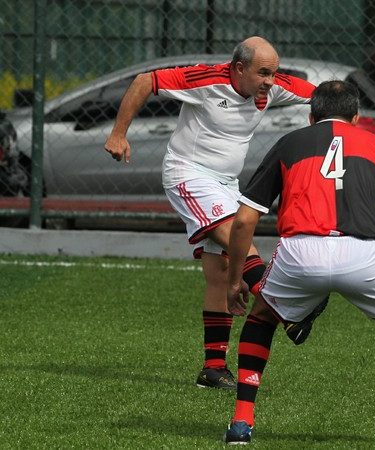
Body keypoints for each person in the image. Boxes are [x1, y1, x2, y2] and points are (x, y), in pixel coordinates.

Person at [221, 80, 375, 448]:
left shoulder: (289, 143)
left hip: (300, 252)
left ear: (311, 117)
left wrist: (234, 282)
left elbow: (244, 221)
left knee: (261, 317)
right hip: (364, 254)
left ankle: (241, 424)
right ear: (356, 118)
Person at [104, 36, 325, 390]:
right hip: (188, 175)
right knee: (240, 241)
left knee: (222, 271)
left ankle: (213, 369)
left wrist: (343, 116)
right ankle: (288, 310)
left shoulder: (270, 88)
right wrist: (118, 133)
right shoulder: (206, 80)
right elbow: (146, 80)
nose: (271, 80)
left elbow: (321, 97)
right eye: (263, 72)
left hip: (226, 184)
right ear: (239, 68)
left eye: (274, 72)